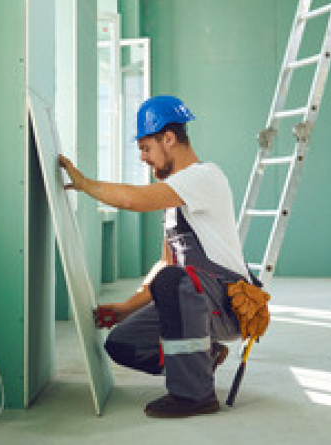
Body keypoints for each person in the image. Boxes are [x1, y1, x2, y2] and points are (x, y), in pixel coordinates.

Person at [58, 94, 252, 418]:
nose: (144, 158)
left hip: (227, 304)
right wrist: (125, 308)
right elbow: (167, 263)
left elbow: (134, 201)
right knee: (123, 343)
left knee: (174, 280)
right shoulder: (176, 198)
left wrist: (85, 184)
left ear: (169, 138)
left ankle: (195, 395)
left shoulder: (205, 176)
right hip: (196, 298)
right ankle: (205, 356)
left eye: (146, 149)